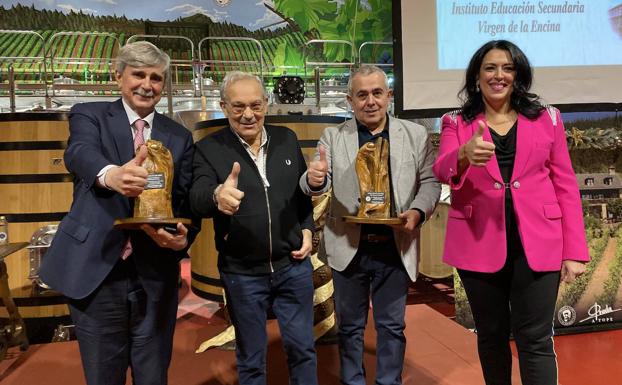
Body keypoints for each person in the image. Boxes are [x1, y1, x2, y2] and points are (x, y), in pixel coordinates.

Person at [39, 41, 197, 385]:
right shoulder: (89, 114)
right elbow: (79, 153)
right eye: (138, 74)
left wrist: (182, 240)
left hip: (155, 275)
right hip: (96, 271)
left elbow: (183, 202)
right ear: (118, 76)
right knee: (103, 377)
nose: (147, 84)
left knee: (154, 376)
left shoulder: (180, 136)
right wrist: (111, 175)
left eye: (156, 78)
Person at [432, 40, 589, 385]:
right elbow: (442, 169)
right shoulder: (455, 122)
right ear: (477, 77)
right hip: (477, 244)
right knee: (491, 337)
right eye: (490, 68)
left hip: (539, 244)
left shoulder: (548, 119)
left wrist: (574, 251)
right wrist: (463, 154)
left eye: (507, 68)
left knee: (536, 340)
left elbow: (565, 185)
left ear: (518, 76)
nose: (498, 75)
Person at [300, 65, 440, 385]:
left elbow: (430, 182)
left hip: (396, 245)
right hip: (350, 247)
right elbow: (318, 182)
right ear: (350, 100)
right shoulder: (334, 137)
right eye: (362, 95)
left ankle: (388, 382)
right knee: (349, 327)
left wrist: (417, 212)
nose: (371, 101)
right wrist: (314, 180)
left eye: (377, 93)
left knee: (392, 326)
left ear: (389, 96)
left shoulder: (415, 135)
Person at [189, 71, 317, 385]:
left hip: (293, 267)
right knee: (251, 360)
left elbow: (301, 196)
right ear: (223, 106)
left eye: (256, 105)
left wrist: (308, 229)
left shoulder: (286, 138)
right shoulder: (208, 148)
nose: (248, 114)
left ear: (266, 105)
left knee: (303, 350)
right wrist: (217, 195)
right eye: (238, 106)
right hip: (242, 273)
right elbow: (196, 196)